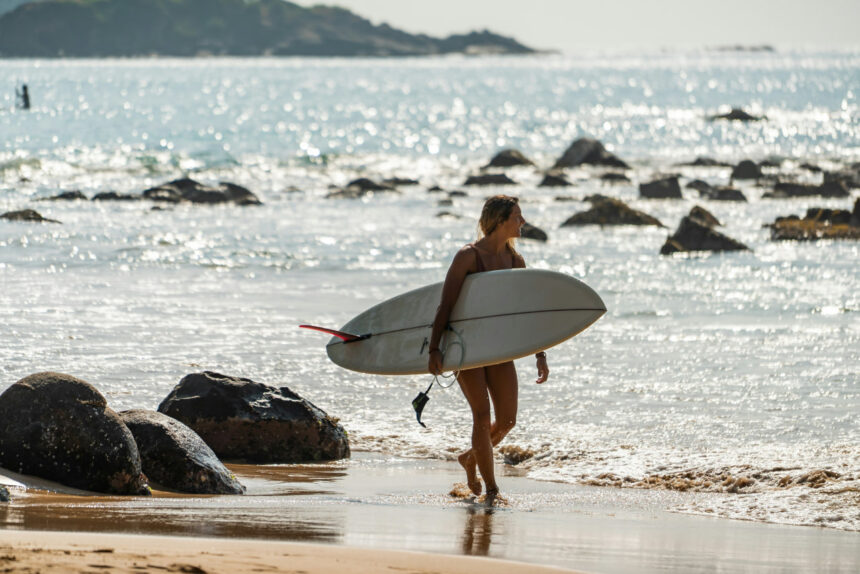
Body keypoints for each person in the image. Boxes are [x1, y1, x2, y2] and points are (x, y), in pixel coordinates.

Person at [428, 195, 549, 504]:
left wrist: (540, 354)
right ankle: (492, 489)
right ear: (499, 221)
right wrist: (434, 350)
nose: (522, 222)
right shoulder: (468, 257)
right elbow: (446, 304)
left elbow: (526, 313)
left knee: (507, 420)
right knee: (481, 416)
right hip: (466, 347)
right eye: (517, 216)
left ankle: (471, 458)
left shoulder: (515, 261)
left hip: (497, 349)